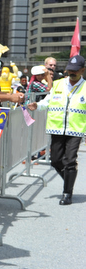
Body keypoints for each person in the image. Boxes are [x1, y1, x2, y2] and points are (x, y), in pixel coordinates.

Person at [27, 55, 86, 205]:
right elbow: (48, 101)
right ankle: (69, 180)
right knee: (55, 161)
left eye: (75, 71)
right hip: (57, 128)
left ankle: (67, 193)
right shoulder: (58, 84)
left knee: (70, 161)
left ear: (83, 70)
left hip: (76, 129)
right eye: (70, 70)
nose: (72, 73)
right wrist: (37, 106)